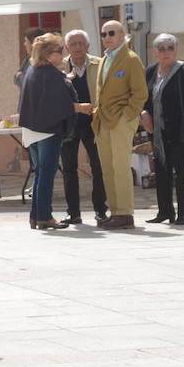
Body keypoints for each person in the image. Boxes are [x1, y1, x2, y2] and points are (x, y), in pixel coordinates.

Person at [18, 33, 93, 230]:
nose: (63, 54)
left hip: (31, 131)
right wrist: (81, 107)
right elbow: (60, 105)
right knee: (46, 175)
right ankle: (44, 217)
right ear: (48, 54)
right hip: (47, 131)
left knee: (40, 174)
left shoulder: (33, 70)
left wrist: (64, 78)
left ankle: (35, 216)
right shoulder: (50, 74)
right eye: (59, 50)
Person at [140, 34, 184, 226]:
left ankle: (183, 214)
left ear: (176, 50)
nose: (166, 52)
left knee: (183, 173)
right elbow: (143, 98)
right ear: (155, 52)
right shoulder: (151, 71)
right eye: (161, 49)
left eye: (170, 48)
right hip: (159, 133)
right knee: (162, 172)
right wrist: (143, 113)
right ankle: (164, 212)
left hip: (181, 132)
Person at [92, 20, 148, 230]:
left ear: (122, 34)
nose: (107, 38)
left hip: (120, 121)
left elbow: (140, 93)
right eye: (103, 34)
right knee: (108, 169)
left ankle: (125, 213)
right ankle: (115, 212)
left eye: (111, 33)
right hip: (103, 121)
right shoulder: (105, 59)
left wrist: (127, 117)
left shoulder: (131, 59)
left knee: (121, 168)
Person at [59, 30, 109, 226]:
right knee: (69, 169)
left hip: (94, 124)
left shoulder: (100, 64)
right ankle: (73, 213)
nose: (78, 47)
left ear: (88, 46)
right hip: (68, 125)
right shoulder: (59, 67)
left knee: (99, 167)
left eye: (81, 43)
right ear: (67, 47)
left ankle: (100, 211)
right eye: (73, 44)